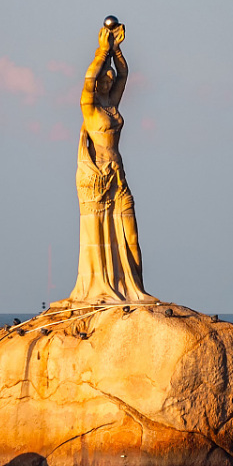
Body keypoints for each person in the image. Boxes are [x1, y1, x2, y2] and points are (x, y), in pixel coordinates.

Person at [64, 17, 152, 305]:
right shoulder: (89, 108)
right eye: (106, 77)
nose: (110, 80)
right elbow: (89, 79)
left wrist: (117, 51)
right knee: (99, 236)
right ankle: (102, 286)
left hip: (117, 174)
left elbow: (125, 76)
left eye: (110, 78)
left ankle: (135, 287)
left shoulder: (111, 105)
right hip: (95, 177)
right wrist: (102, 51)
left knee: (130, 235)